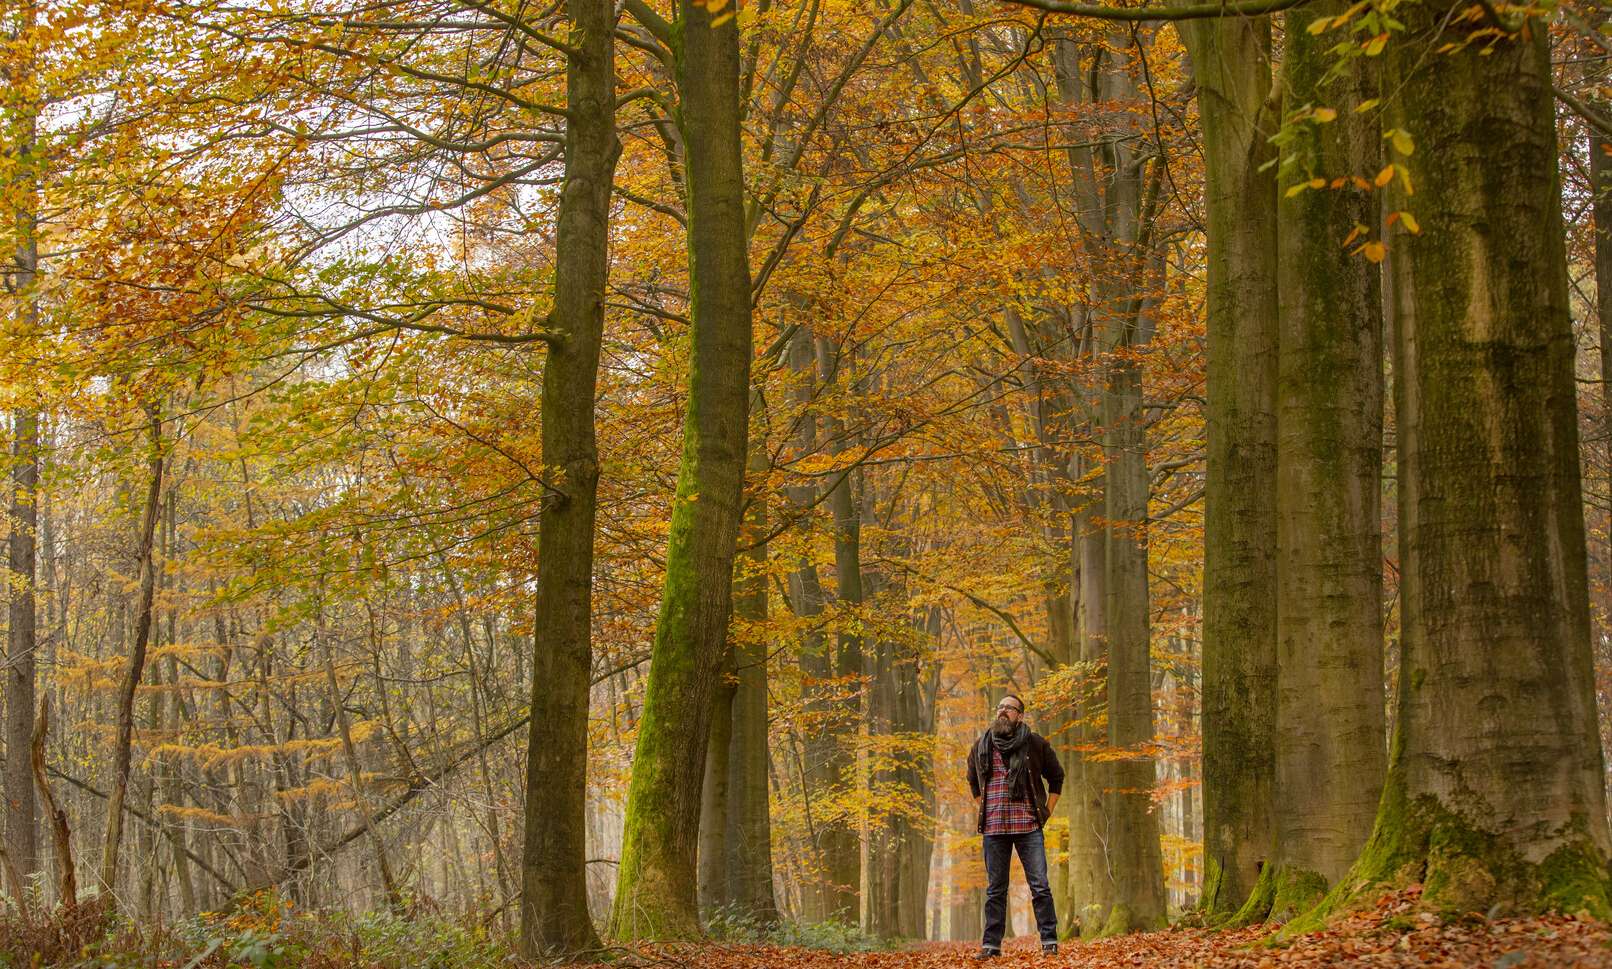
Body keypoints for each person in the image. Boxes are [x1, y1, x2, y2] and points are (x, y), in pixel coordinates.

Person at [967, 693, 1063, 959]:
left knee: (1040, 885)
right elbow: (973, 781)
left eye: (1009, 708)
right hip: (994, 830)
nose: (1003, 711)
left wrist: (1046, 813)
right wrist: (985, 808)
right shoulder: (981, 745)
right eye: (1000, 707)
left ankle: (1049, 941)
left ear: (1020, 715)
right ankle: (991, 946)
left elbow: (1057, 778)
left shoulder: (1035, 744)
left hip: (1028, 826)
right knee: (995, 889)